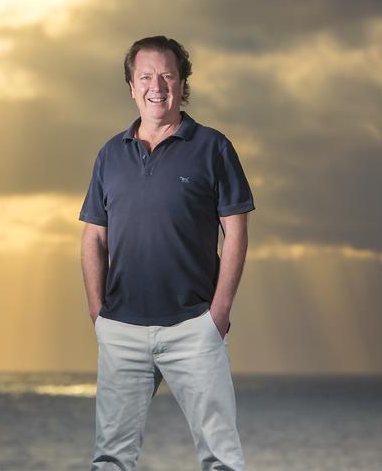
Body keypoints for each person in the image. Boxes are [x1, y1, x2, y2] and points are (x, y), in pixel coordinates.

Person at [79, 35, 255, 471]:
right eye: (145, 76)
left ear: (182, 84)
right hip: (121, 329)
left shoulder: (213, 147)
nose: (157, 85)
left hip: (193, 327)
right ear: (132, 87)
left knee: (221, 459)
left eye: (167, 75)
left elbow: (235, 233)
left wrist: (218, 313)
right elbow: (93, 238)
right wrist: (98, 312)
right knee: (111, 459)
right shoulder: (109, 155)